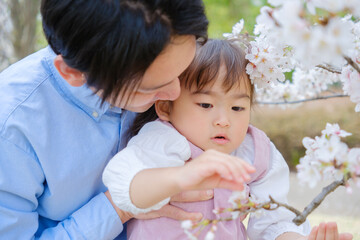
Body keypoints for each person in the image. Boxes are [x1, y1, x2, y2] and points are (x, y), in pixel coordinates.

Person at [0, 0, 225, 239]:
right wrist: (122, 205)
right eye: (152, 88)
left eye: (183, 71)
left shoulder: (167, 58)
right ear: (73, 73)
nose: (175, 94)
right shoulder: (13, 127)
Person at [103, 39, 354, 240]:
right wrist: (177, 177)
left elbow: (271, 223)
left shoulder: (254, 151)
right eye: (205, 104)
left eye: (237, 108)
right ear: (166, 107)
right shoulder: (164, 140)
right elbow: (123, 182)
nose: (223, 120)